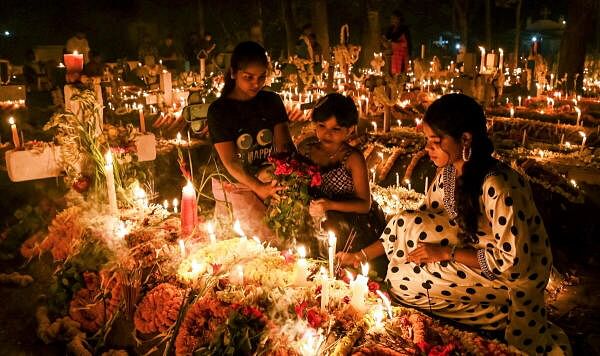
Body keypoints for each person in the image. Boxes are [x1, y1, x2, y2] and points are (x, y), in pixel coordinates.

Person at [337, 94, 571, 355]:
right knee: (406, 234)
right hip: (467, 258)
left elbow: (512, 263)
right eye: (427, 141)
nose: (428, 149)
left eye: (436, 142)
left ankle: (499, 315)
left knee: (402, 281)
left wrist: (445, 253)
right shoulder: (449, 173)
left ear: (466, 139)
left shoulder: (498, 185)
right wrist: (358, 256)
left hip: (507, 280)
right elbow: (408, 226)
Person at [207, 41, 294, 240]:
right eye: (249, 77)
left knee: (285, 239)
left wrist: (286, 175)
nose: (256, 83)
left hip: (269, 178)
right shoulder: (220, 111)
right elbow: (231, 161)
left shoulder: (271, 101)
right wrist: (258, 188)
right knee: (255, 244)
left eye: (262, 77)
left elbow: (284, 146)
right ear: (233, 73)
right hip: (235, 183)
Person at [301, 93, 388, 277]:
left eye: (336, 129)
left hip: (350, 224)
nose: (327, 133)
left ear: (349, 130)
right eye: (321, 126)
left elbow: (365, 205)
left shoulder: (353, 158)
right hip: (315, 219)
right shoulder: (307, 149)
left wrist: (330, 205)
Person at [383, 11, 411, 75]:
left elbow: (406, 42)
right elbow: (385, 38)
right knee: (391, 71)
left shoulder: (404, 28)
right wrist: (385, 42)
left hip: (401, 54)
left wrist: (393, 43)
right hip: (392, 54)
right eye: (391, 18)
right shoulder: (391, 28)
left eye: (394, 18)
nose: (392, 20)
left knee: (400, 72)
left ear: (398, 19)